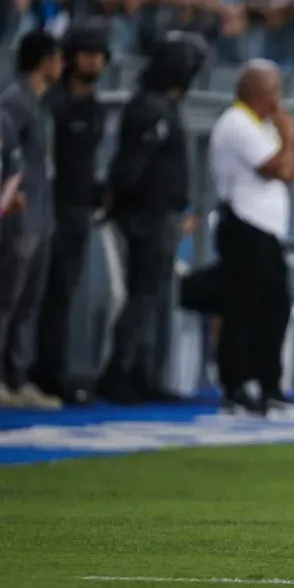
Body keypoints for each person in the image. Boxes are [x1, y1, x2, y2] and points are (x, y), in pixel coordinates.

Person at [97, 31, 207, 405]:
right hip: (148, 215)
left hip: (162, 214)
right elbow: (130, 168)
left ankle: (139, 372)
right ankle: (119, 372)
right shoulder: (150, 108)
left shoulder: (160, 104)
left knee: (152, 296)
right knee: (143, 296)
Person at [209, 59, 294, 417]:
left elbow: (289, 172)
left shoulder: (262, 125)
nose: (279, 97)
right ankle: (237, 385)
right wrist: (288, 135)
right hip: (244, 226)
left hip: (265, 230)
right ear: (255, 91)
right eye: (274, 88)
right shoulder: (238, 123)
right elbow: (275, 167)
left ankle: (268, 386)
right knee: (243, 309)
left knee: (275, 308)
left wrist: (284, 146)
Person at [32, 22, 110, 403]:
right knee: (38, 295)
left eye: (99, 55)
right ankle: (38, 372)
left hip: (78, 209)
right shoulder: (54, 105)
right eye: (86, 54)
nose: (94, 61)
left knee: (63, 294)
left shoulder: (93, 107)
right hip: (50, 208)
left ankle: (53, 371)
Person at [0, 29, 65, 409]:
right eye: (57, 58)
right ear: (45, 60)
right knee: (6, 297)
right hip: (18, 217)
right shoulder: (14, 103)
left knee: (29, 299)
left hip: (41, 214)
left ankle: (16, 375)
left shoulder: (40, 104)